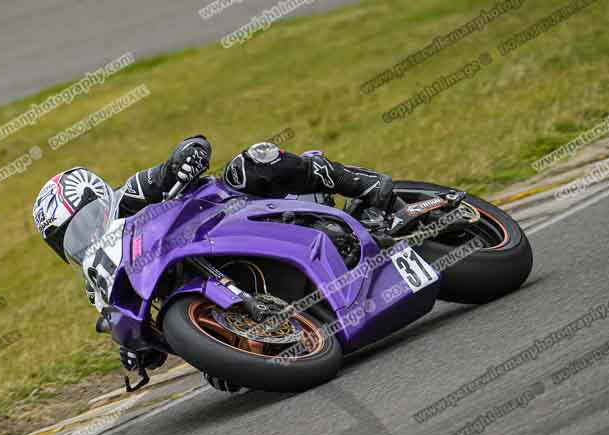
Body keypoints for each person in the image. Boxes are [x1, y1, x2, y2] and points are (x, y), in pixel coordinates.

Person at [32, 135, 395, 389]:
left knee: (253, 161)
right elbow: (134, 324)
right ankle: (253, 342)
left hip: (225, 217)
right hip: (202, 280)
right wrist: (133, 351)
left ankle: (363, 185)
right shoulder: (97, 279)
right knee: (224, 382)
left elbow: (187, 151)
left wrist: (187, 157)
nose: (81, 239)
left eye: (83, 221)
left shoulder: (132, 194)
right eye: (68, 239)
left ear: (100, 196)